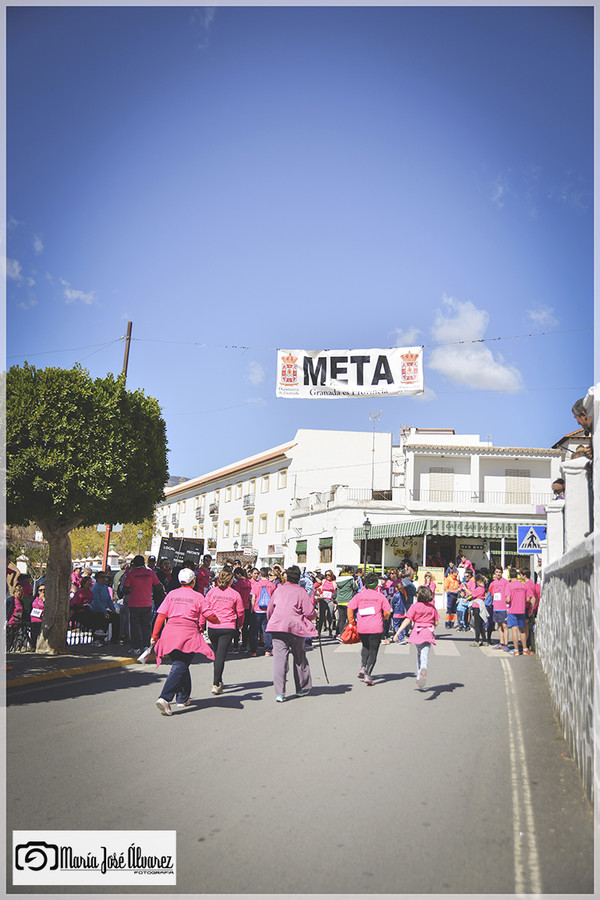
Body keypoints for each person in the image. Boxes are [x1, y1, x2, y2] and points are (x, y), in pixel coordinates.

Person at [150, 567, 219, 715]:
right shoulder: (198, 596)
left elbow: (161, 616)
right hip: (188, 634)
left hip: (170, 632)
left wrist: (155, 636)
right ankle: (165, 697)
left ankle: (183, 698)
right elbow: (209, 615)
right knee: (181, 664)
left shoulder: (171, 594)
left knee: (181, 664)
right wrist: (217, 620)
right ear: (193, 581)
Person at [265, 565, 317, 702]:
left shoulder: (279, 590)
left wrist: (273, 621)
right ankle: (301, 687)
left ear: (285, 576)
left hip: (277, 626)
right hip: (295, 627)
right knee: (299, 656)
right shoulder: (302, 592)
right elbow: (309, 613)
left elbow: (270, 609)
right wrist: (314, 615)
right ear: (299, 578)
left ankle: (280, 693)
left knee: (279, 660)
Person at [201, 569, 245, 694]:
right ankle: (216, 683)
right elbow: (240, 612)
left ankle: (219, 680)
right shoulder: (235, 594)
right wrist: (240, 624)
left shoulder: (211, 592)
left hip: (213, 627)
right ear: (231, 580)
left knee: (217, 655)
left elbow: (205, 609)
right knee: (220, 655)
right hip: (228, 626)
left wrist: (202, 624)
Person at [347, 571, 391, 686]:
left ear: (365, 584)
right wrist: (382, 617)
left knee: (365, 647)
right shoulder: (380, 596)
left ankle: (362, 667)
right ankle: (368, 674)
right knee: (373, 651)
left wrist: (352, 621)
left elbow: (350, 608)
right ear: (376, 585)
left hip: (362, 627)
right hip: (376, 627)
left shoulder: (359, 596)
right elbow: (388, 611)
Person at [393, 585, 439, 690]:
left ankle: (419, 676)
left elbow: (407, 619)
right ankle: (423, 669)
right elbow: (436, 622)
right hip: (428, 632)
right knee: (424, 655)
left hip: (417, 632)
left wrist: (397, 633)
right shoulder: (432, 607)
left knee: (419, 653)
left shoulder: (414, 606)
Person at [122, 555, 162, 654]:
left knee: (135, 626)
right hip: (147, 603)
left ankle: (136, 647)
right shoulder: (150, 573)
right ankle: (146, 646)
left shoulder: (131, 574)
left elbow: (125, 589)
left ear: (134, 564)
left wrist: (132, 589)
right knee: (146, 626)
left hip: (134, 603)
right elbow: (158, 587)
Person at [506, 568, 533, 656]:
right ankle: (525, 649)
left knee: (514, 629)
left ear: (510, 576)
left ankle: (516, 650)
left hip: (512, 610)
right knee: (522, 630)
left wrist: (507, 601)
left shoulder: (509, 585)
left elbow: (508, 599)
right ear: (517, 576)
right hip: (521, 609)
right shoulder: (523, 585)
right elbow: (528, 598)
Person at [251, 567, 276, 656]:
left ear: (260, 574)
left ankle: (254, 651)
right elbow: (274, 598)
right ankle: (267, 650)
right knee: (267, 630)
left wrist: (252, 609)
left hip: (257, 610)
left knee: (255, 631)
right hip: (268, 610)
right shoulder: (272, 585)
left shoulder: (256, 585)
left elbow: (253, 598)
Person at [89, 571, 120, 643]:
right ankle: (99, 638)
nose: (104, 579)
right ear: (97, 579)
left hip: (104, 609)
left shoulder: (105, 587)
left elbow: (109, 600)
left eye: (105, 577)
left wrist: (113, 610)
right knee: (103, 618)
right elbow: (97, 601)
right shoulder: (95, 588)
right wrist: (104, 611)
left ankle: (115, 638)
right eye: (102, 577)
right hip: (97, 610)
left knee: (116, 617)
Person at [489, 566, 510, 651]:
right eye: (496, 572)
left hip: (503, 607)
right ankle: (501, 643)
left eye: (499, 572)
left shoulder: (506, 582)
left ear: (502, 573)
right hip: (496, 607)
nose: (498, 574)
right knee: (499, 626)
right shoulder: (493, 583)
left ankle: (506, 644)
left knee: (505, 626)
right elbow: (491, 593)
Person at [335, 566, 358, 638]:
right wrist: (356, 582)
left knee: (342, 619)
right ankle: (343, 634)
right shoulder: (350, 578)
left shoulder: (338, 579)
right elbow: (355, 588)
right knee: (350, 619)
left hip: (340, 601)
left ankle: (340, 634)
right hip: (348, 601)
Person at [316, 569, 337, 637]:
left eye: (329, 575)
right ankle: (319, 632)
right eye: (326, 575)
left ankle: (330, 632)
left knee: (330, 615)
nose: (327, 576)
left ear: (332, 575)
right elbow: (319, 587)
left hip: (330, 600)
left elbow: (335, 592)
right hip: (323, 600)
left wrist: (335, 602)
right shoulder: (324, 581)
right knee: (322, 616)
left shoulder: (334, 582)